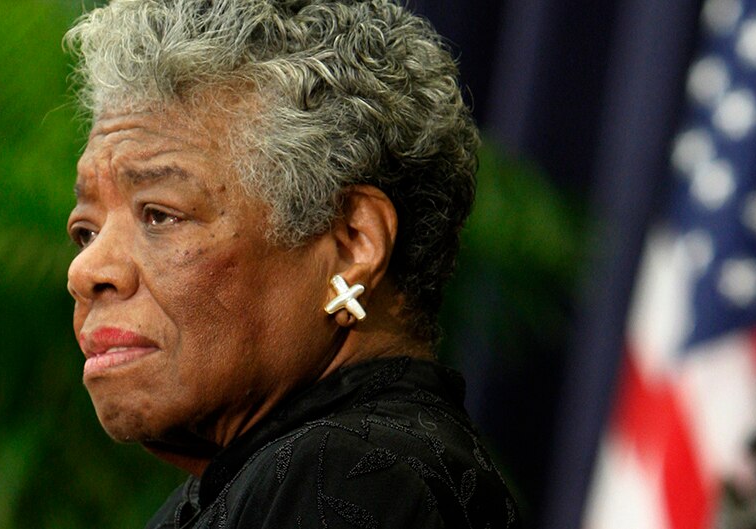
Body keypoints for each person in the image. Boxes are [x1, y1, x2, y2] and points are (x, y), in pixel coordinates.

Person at [63, 1, 517, 527]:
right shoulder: (264, 480)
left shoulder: (356, 479)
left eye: (160, 215)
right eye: (86, 231)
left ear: (352, 245)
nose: (85, 271)